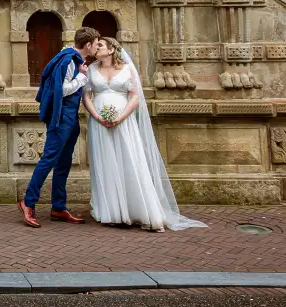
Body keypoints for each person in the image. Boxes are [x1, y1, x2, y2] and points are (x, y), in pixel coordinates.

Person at [83, 37, 206, 232]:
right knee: (105, 163)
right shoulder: (91, 69)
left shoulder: (127, 69)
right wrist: (97, 116)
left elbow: (134, 97)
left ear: (111, 50)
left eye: (100, 45)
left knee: (129, 161)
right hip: (99, 123)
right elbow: (86, 96)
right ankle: (112, 211)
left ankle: (138, 209)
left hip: (124, 122)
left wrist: (121, 117)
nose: (96, 48)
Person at [19, 26, 101, 228]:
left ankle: (58, 207)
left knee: (64, 163)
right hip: (60, 119)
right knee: (49, 159)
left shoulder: (74, 59)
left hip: (71, 119)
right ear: (88, 45)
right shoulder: (69, 61)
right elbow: (61, 90)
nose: (97, 47)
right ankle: (28, 202)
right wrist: (81, 77)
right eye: (96, 44)